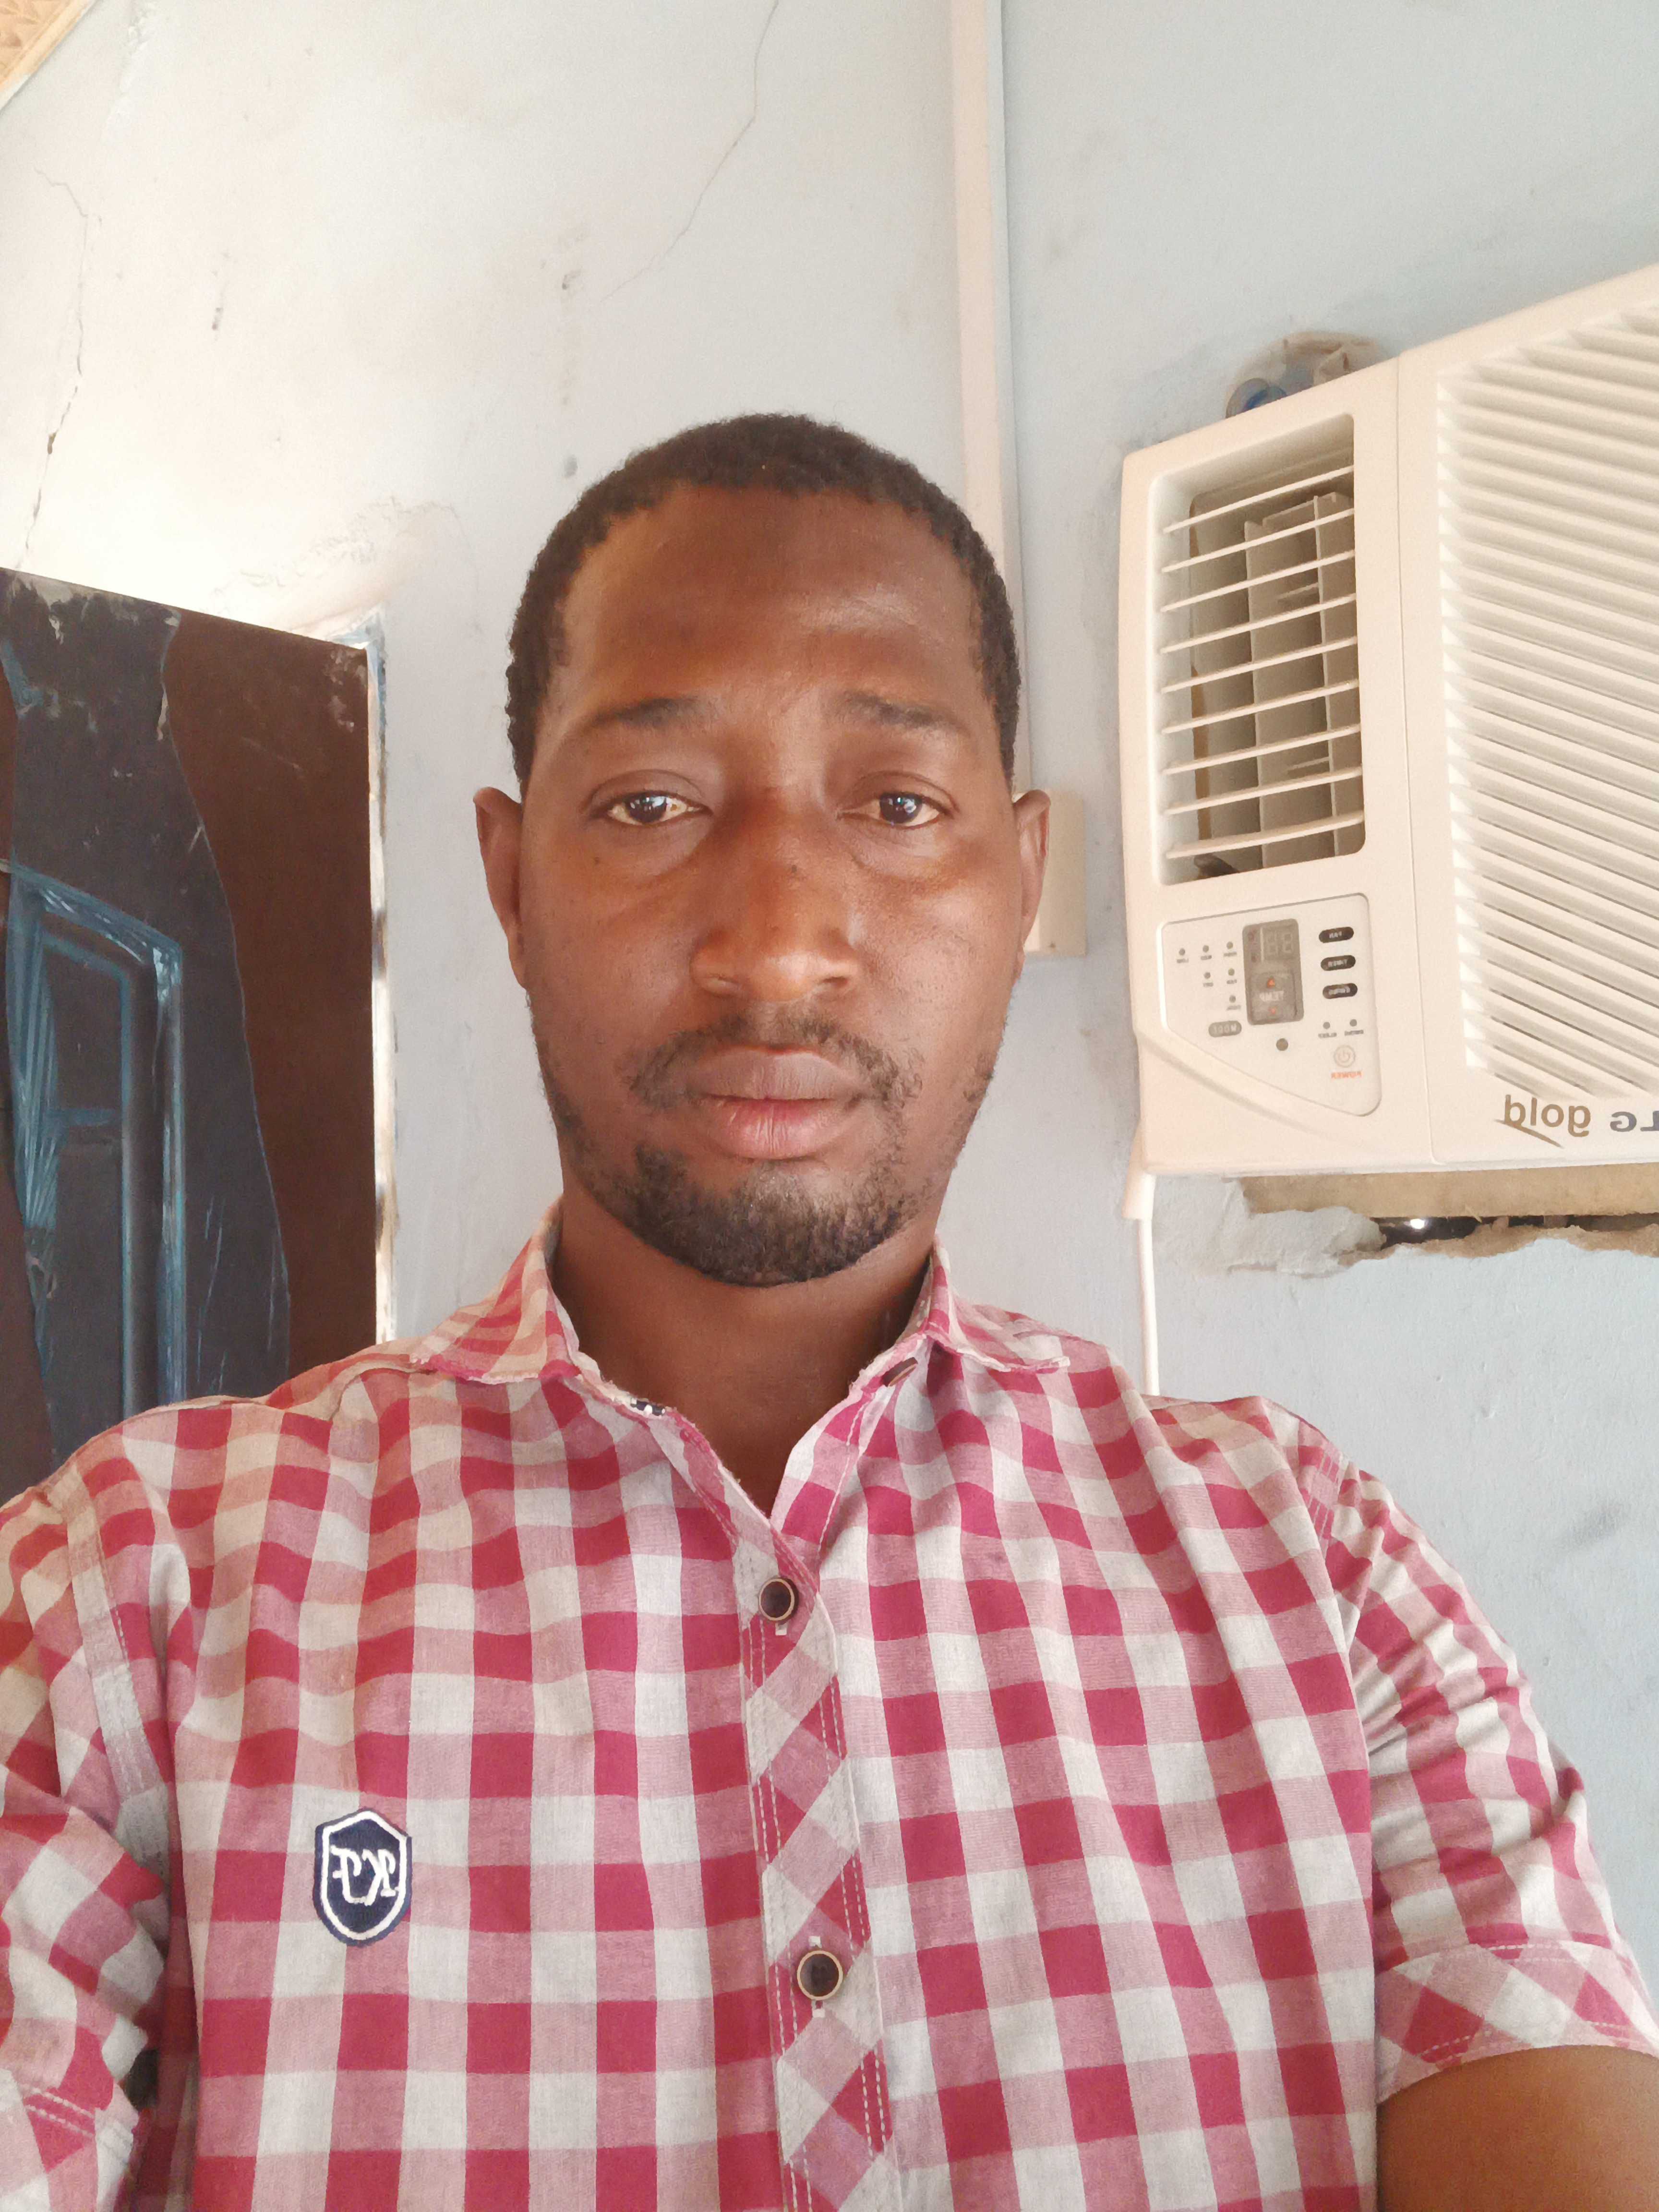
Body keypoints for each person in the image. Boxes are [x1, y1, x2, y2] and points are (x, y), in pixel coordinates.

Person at [0, 414, 1655, 2212]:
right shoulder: (130, 1593)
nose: (780, 946)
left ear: (1022, 876)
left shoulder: (1309, 1571)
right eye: (651, 805)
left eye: (897, 804)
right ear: (511, 883)